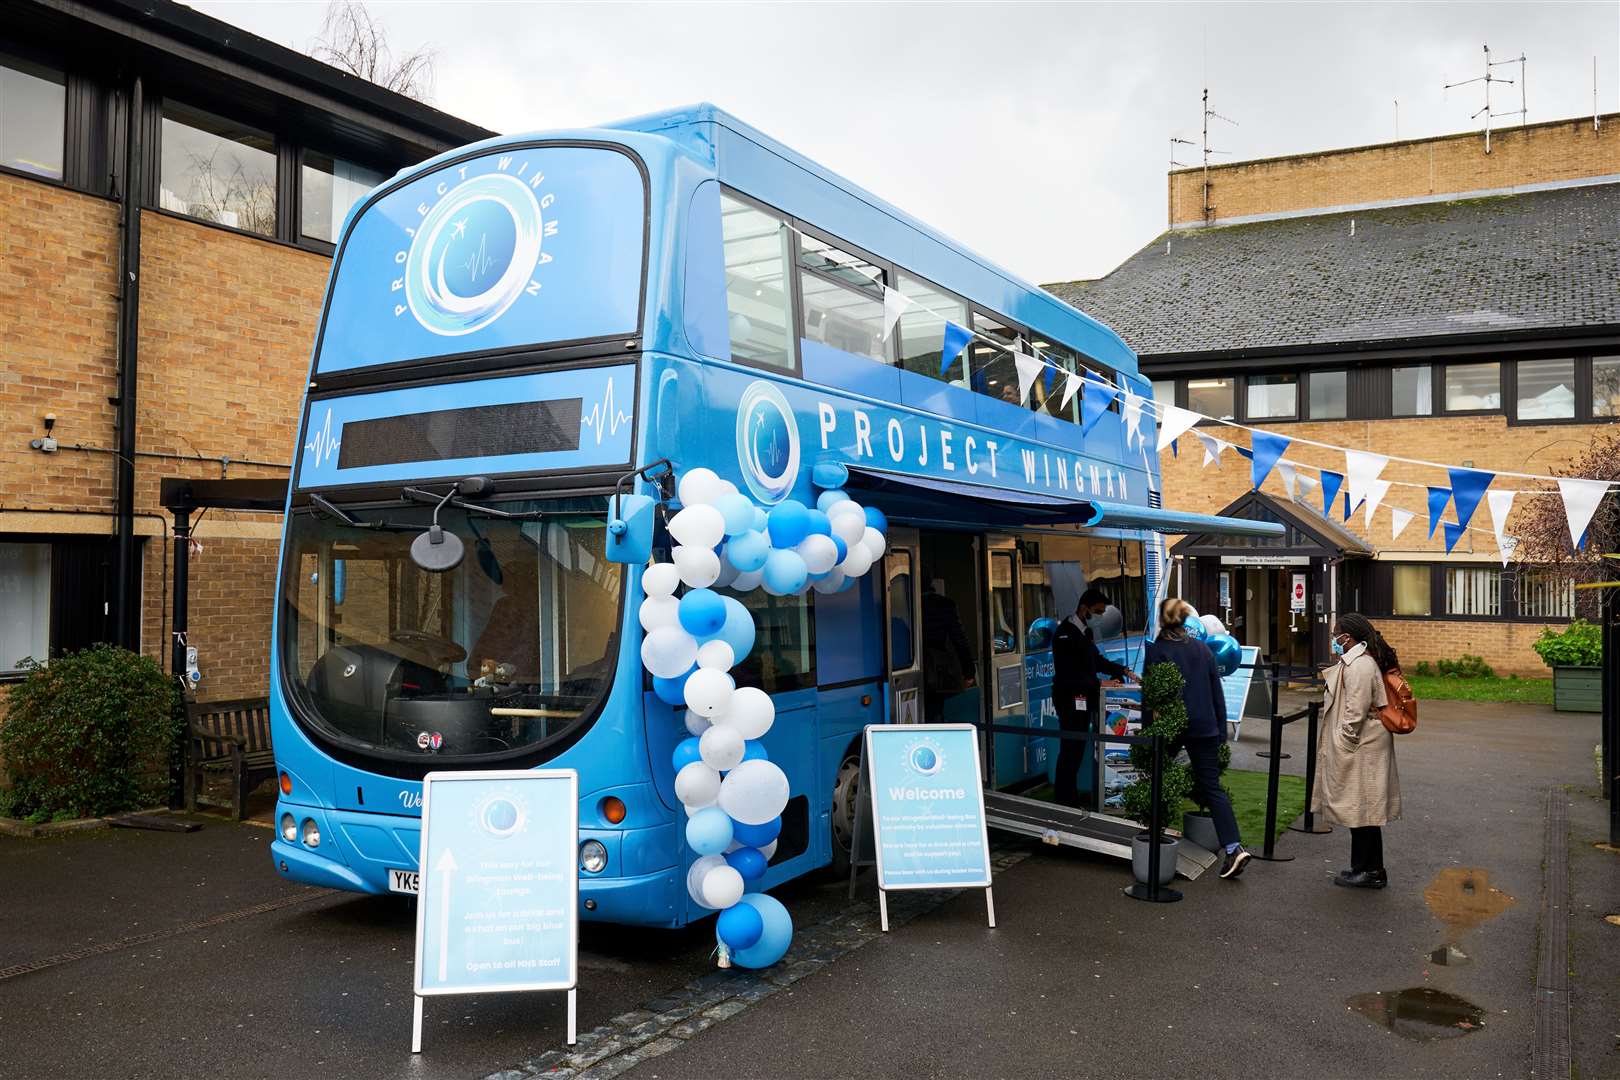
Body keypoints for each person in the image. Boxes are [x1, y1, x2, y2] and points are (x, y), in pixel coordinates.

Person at [1145, 598, 1250, 879]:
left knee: (1156, 780)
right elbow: (1217, 694)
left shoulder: (1159, 651)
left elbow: (1152, 696)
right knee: (1212, 788)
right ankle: (1233, 846)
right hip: (1205, 727)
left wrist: (1147, 733)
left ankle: (1154, 839)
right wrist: (1220, 733)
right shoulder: (1203, 649)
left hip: (1172, 727)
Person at [1313, 612, 1402, 889]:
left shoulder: (1360, 666)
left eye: (1335, 634)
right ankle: (1367, 868)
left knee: (1362, 811)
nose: (1333, 640)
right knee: (1362, 811)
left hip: (1361, 748)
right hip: (1362, 747)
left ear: (1347, 638)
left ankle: (1369, 871)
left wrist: (1343, 741)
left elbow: (1355, 711)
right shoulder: (1356, 661)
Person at [1051, 587, 1138, 807]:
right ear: (1084, 608)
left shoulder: (1085, 633)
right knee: (1070, 749)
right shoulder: (1064, 633)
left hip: (1085, 698)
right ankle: (1063, 798)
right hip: (1069, 700)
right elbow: (1068, 674)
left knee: (1078, 750)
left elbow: (1096, 660)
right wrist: (1100, 683)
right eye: (1097, 612)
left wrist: (1124, 671)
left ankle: (1069, 795)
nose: (1099, 617)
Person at [921, 579, 976, 724]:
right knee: (935, 711)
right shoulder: (945, 604)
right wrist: (969, 671)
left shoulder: (907, 602)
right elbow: (959, 640)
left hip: (911, 668)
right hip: (937, 670)